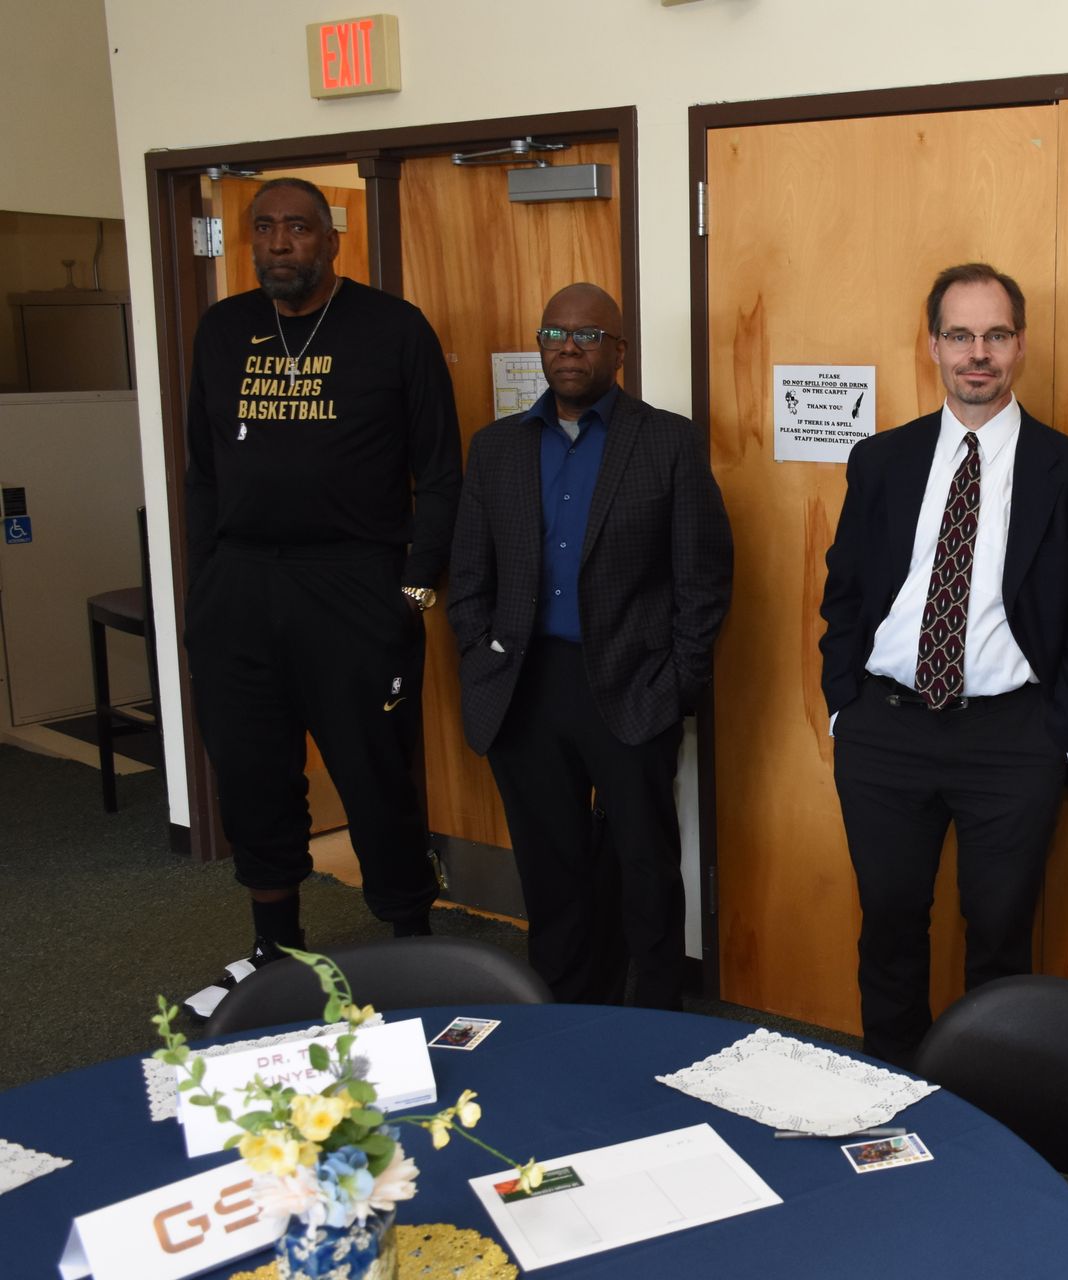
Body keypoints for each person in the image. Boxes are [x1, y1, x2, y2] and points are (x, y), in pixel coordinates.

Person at [819, 262, 1068, 1067]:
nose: (977, 353)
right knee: (888, 925)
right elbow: (844, 594)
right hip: (883, 732)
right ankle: (890, 1093)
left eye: (994, 335)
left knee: (998, 937)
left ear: (1019, 346)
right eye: (960, 335)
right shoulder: (881, 461)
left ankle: (990, 1118)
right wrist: (841, 703)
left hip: (1012, 740)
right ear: (933, 346)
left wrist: (1062, 736)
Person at [184, 176, 459, 971]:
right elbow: (203, 472)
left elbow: (440, 474)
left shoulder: (392, 329)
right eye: (263, 228)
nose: (278, 243)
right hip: (239, 586)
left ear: (331, 238)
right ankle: (277, 943)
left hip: (355, 585)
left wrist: (412, 590)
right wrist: (206, 583)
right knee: (251, 771)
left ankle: (411, 937)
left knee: (374, 770)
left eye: (297, 228)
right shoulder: (223, 330)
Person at [447, 283, 732, 1008]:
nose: (568, 348)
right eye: (553, 334)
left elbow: (703, 577)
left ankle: (658, 1012)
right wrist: (480, 652)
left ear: (619, 351)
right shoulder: (497, 448)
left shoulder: (666, 441)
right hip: (524, 687)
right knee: (551, 865)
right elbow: (470, 572)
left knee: (645, 864)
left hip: (632, 683)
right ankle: (565, 1009)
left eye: (587, 335)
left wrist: (679, 683)